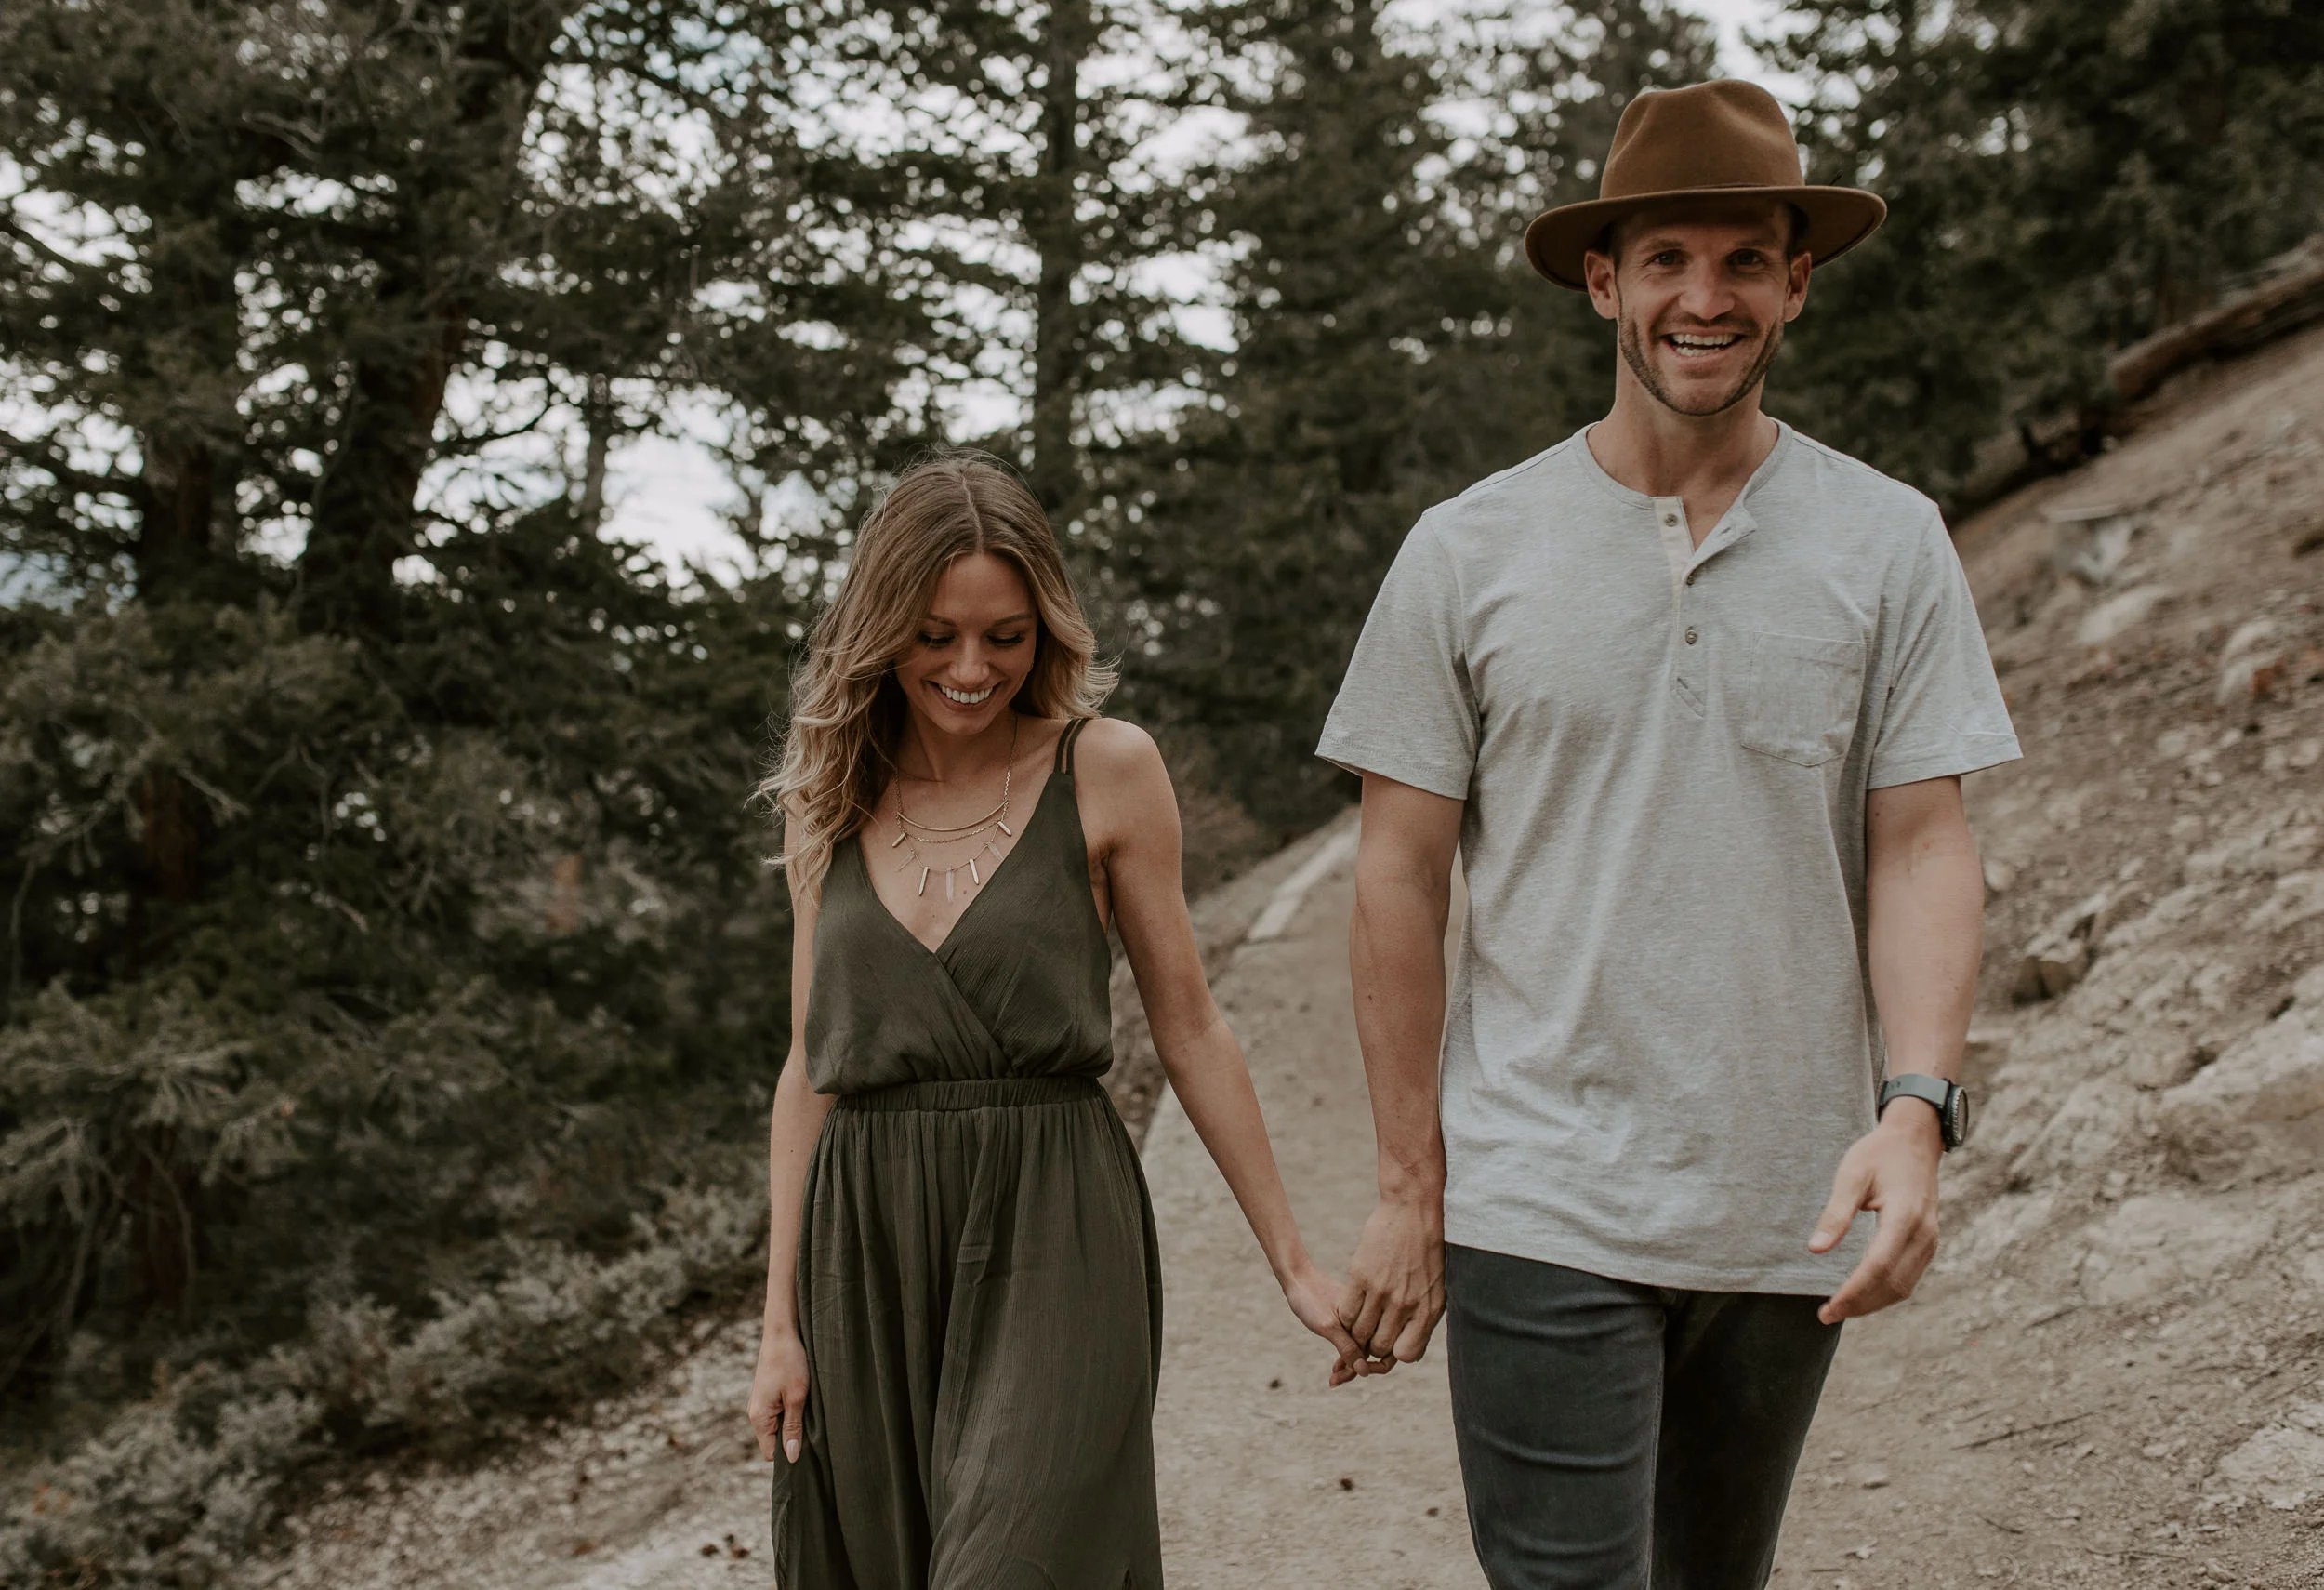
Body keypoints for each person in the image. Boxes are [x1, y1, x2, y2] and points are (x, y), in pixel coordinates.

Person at [1315, 80, 2021, 1588]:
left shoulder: (1887, 540)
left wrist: (1915, 1113)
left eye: (1745, 261)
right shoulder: (1468, 550)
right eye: (1666, 262)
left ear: (1796, 282)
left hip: (1788, 1201)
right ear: (1603, 281)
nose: (1706, 299)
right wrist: (1405, 1189)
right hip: (1540, 1189)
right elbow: (1396, 876)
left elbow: (1921, 845)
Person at [746, 454, 1361, 1589]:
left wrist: (1293, 1262)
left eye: (1006, 635)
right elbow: (808, 1070)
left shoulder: (1107, 768)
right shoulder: (828, 793)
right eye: (935, 636)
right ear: (880, 627)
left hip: (1053, 1223)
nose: (972, 668)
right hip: (866, 1247)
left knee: (1012, 1563)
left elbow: (1192, 1029)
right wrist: (779, 1323)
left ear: (1047, 630)